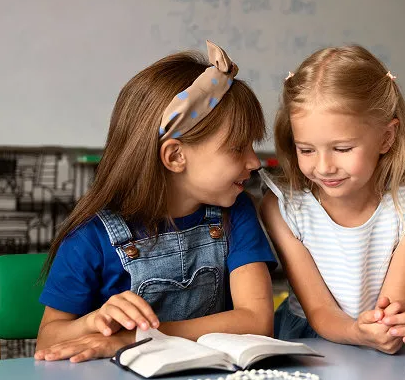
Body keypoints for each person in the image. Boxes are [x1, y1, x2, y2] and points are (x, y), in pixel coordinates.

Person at [35, 41, 277, 362]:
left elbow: (257, 321)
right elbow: (47, 341)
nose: (254, 162)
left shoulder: (236, 211)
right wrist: (91, 323)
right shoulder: (89, 238)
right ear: (175, 156)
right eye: (237, 148)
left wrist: (135, 338)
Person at [259, 45, 405, 354]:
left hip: (373, 345)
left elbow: (393, 303)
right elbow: (319, 311)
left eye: (342, 149)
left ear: (386, 138)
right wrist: (358, 332)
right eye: (306, 150)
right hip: (306, 343)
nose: (324, 166)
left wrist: (392, 322)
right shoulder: (284, 208)